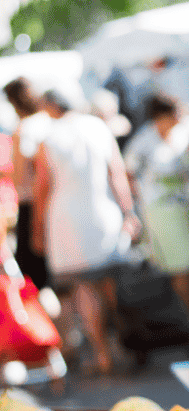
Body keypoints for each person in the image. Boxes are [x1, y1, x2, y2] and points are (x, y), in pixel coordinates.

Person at [32, 89, 140, 374]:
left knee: (83, 287)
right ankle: (123, 345)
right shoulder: (97, 127)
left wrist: (37, 227)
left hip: (67, 218)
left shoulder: (50, 138)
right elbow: (116, 172)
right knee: (109, 282)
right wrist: (129, 211)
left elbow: (43, 186)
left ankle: (102, 352)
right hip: (102, 210)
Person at [123, 93, 189, 328]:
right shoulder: (144, 140)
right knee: (180, 268)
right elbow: (128, 173)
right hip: (162, 209)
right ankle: (188, 324)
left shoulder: (186, 134)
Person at [2, 77, 51, 292]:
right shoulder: (49, 122)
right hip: (52, 203)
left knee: (34, 278)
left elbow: (20, 176)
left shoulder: (24, 129)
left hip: (31, 204)